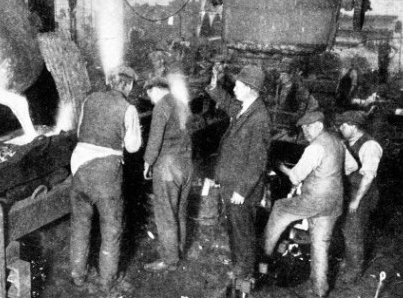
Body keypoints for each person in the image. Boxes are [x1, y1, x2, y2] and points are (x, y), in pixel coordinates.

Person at [69, 65, 142, 291]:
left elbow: (80, 130)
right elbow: (132, 147)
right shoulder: (128, 108)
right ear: (128, 85)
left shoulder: (89, 100)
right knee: (111, 228)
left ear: (110, 82)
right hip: (105, 174)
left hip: (79, 167)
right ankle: (107, 280)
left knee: (80, 225)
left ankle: (77, 275)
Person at [263, 111, 344, 298]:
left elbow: (295, 176)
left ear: (319, 126)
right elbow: (350, 167)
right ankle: (320, 290)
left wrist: (280, 165)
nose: (305, 131)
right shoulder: (338, 142)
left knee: (279, 208)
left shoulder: (314, 147)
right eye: (303, 127)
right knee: (320, 245)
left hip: (315, 200)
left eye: (309, 127)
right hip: (334, 202)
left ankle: (263, 260)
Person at [205, 64, 271, 282]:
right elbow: (226, 103)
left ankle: (244, 273)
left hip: (241, 188)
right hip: (231, 183)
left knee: (242, 231)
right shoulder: (246, 107)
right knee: (234, 226)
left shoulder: (259, 119)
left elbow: (257, 161)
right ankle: (239, 265)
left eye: (239, 85)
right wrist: (214, 85)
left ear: (251, 88)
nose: (234, 88)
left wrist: (242, 191)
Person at [141, 77, 193, 273]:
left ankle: (170, 260)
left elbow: (155, 139)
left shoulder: (161, 106)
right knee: (179, 211)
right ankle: (178, 250)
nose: (150, 98)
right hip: (186, 165)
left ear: (154, 89)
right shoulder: (181, 103)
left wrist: (147, 162)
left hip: (168, 169)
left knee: (165, 215)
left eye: (149, 94)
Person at [335, 110, 382, 283]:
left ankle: (353, 272)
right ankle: (348, 261)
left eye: (344, 125)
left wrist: (356, 200)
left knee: (354, 233)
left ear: (354, 127)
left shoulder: (370, 146)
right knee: (345, 229)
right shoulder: (347, 141)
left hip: (362, 194)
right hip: (349, 191)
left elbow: (369, 176)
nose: (340, 128)